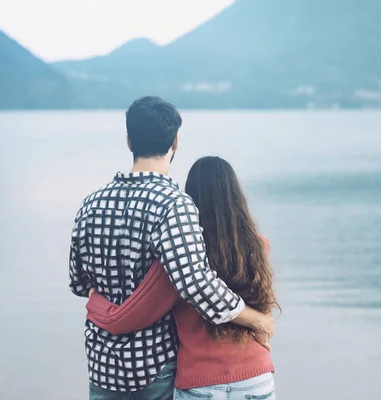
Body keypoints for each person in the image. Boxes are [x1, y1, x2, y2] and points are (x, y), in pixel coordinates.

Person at [69, 97, 274, 400]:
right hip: (155, 367)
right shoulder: (173, 204)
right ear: (175, 141)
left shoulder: (91, 204)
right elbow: (195, 283)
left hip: (102, 366)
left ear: (129, 141)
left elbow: (78, 282)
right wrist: (257, 319)